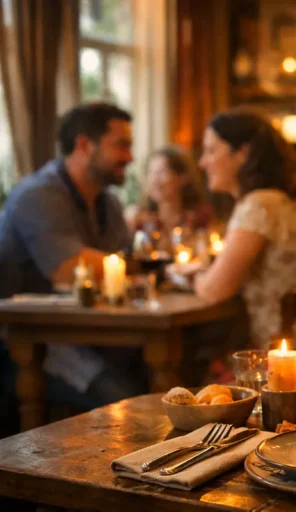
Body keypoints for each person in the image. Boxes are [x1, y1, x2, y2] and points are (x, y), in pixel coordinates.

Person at [0, 102, 147, 409]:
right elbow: (68, 271)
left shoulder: (108, 202)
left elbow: (127, 262)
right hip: (33, 342)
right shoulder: (39, 195)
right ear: (84, 145)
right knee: (126, 402)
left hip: (94, 334)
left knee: (172, 378)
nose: (130, 157)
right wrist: (130, 265)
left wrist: (130, 264)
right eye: (122, 146)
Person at [188, 107, 296, 346]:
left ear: (242, 153)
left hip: (283, 358)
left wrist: (190, 276)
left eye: (211, 150)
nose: (202, 162)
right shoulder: (287, 201)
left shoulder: (259, 206)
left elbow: (215, 290)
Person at [125, 146, 212, 246]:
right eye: (151, 172)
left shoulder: (200, 217)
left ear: (183, 177)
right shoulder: (139, 219)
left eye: (162, 172)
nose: (155, 180)